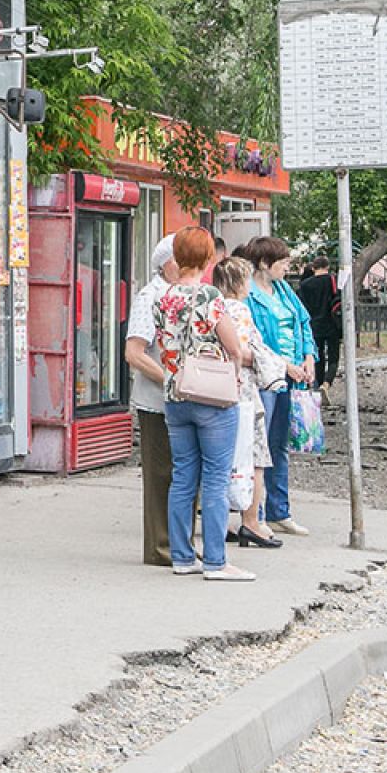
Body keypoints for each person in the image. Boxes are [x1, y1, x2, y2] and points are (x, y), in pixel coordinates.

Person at [153, 226, 256, 582]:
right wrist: (237, 362)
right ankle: (216, 561)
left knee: (182, 477)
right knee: (214, 478)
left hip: (174, 395)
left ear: (177, 257)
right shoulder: (209, 295)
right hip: (212, 395)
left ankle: (182, 556)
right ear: (208, 258)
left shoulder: (161, 298)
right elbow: (232, 344)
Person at [240, 236, 317, 536]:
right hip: (265, 375)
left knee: (279, 443)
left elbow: (303, 323)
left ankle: (278, 510)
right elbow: (253, 338)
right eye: (283, 262)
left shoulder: (285, 290)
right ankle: (255, 512)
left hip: (292, 374)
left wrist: (309, 357)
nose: (287, 267)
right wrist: (285, 365)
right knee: (259, 445)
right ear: (264, 263)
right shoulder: (247, 294)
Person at [214, 256, 284, 549]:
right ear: (240, 283)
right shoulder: (239, 311)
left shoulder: (212, 307)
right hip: (242, 391)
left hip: (216, 388)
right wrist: (266, 360)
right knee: (255, 456)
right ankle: (252, 521)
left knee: (220, 458)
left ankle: (222, 521)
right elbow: (242, 351)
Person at [126, 234, 184, 567]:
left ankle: (179, 543)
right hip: (157, 400)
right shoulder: (150, 297)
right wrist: (172, 379)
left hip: (184, 398)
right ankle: (160, 546)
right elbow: (134, 353)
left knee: (184, 472)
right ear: (167, 264)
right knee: (161, 473)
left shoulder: (184, 295)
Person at [296, 256, 343, 389]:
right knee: (333, 356)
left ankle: (318, 384)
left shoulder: (305, 285)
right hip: (332, 324)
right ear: (327, 267)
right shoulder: (333, 280)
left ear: (313, 268)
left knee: (318, 357)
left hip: (313, 326)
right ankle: (327, 383)